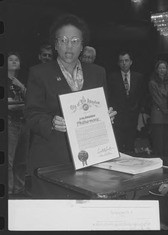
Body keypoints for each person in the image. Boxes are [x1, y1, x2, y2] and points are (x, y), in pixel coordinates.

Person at [25, 14, 116, 199]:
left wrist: (107, 116)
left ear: (82, 45)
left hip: (90, 159)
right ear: (55, 44)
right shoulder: (39, 73)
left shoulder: (98, 73)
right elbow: (31, 114)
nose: (69, 46)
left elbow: (101, 107)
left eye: (75, 41)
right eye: (64, 40)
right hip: (51, 159)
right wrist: (51, 122)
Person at [108, 51, 144, 153]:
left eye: (126, 60)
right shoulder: (111, 77)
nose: (124, 63)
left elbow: (142, 95)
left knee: (130, 146)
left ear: (131, 62)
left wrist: (138, 110)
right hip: (117, 118)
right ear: (118, 63)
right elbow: (109, 96)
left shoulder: (139, 77)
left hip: (133, 117)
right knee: (118, 147)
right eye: (121, 61)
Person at [8, 52, 29, 195]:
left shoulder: (20, 81)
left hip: (24, 123)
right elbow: (8, 105)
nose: (14, 62)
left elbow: (32, 99)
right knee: (9, 161)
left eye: (17, 60)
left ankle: (19, 189)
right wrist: (23, 105)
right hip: (10, 123)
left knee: (22, 160)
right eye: (11, 59)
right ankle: (8, 191)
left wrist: (21, 86)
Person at [149, 60, 168, 158]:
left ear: (167, 69)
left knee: (167, 142)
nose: (162, 70)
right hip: (158, 116)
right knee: (158, 142)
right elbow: (158, 100)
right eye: (160, 68)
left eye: (164, 68)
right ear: (156, 70)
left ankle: (166, 163)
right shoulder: (152, 83)